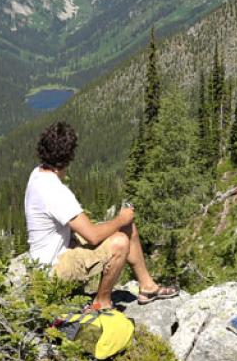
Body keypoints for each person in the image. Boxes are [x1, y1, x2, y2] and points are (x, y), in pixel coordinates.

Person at [23, 121, 178, 310]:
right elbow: (93, 235)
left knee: (126, 228)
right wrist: (121, 218)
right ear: (69, 156)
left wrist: (123, 223)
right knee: (120, 242)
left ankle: (147, 286)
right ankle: (101, 302)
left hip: (48, 258)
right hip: (51, 270)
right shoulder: (55, 190)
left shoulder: (38, 173)